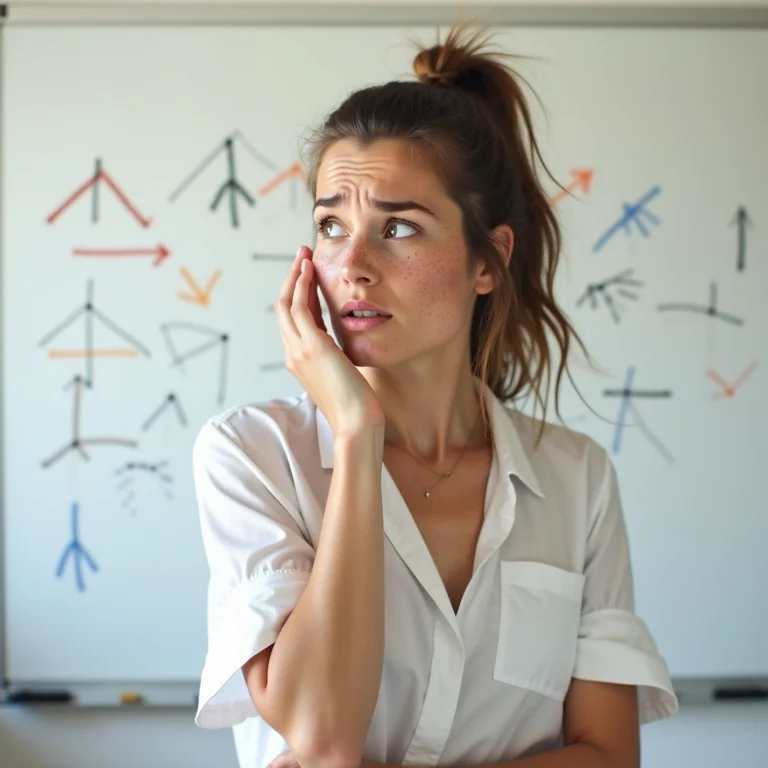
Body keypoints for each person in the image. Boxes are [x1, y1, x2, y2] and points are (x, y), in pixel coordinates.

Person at [192, 22, 678, 768]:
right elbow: (322, 733)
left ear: (488, 261)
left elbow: (610, 757)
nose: (352, 264)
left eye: (399, 228)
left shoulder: (576, 478)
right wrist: (357, 435)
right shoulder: (252, 455)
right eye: (331, 224)